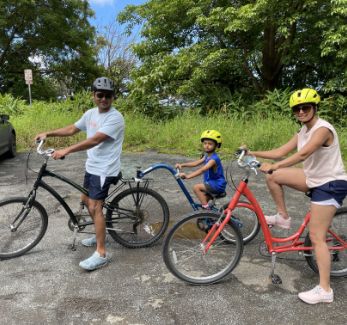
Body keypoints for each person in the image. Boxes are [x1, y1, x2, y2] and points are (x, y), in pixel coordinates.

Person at [247, 88, 347, 304]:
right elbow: (280, 151)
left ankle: (325, 290)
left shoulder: (323, 129)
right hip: (313, 178)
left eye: (305, 107)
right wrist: (252, 153)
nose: (301, 112)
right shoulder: (303, 131)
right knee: (274, 177)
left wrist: (275, 165)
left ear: (315, 107)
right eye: (296, 109)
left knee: (317, 236)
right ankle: (283, 217)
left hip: (330, 183)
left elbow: (302, 154)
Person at [35, 77, 125, 271]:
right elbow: (72, 129)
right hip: (92, 166)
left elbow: (95, 140)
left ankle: (101, 253)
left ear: (113, 97)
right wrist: (48, 134)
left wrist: (66, 151)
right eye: (100, 95)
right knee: (84, 199)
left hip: (105, 169)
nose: (104, 99)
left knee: (94, 207)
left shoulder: (115, 117)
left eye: (108, 96)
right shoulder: (91, 113)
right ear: (93, 95)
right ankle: (98, 233)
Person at [176, 130, 227, 209]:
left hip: (217, 185)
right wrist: (182, 165)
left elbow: (202, 170)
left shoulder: (214, 159)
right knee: (204, 200)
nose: (207, 145)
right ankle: (209, 215)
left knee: (196, 187)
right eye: (205, 143)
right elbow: (196, 163)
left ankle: (207, 209)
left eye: (210, 144)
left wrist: (187, 176)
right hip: (211, 183)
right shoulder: (207, 155)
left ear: (216, 145)